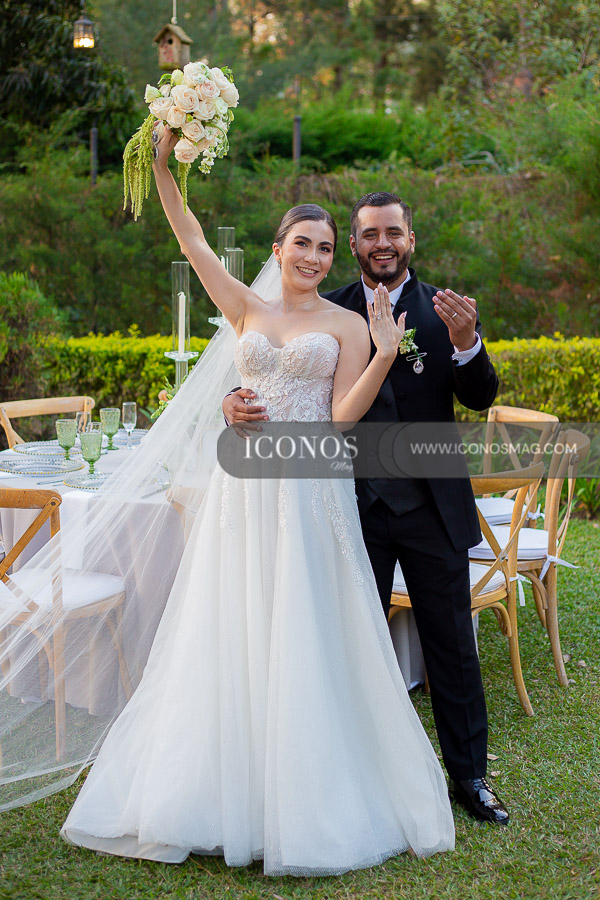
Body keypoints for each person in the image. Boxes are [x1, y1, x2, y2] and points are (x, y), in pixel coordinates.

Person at [59, 132, 455, 874]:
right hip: (245, 493)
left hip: (310, 492)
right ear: (277, 249)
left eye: (325, 249)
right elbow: (190, 235)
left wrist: (381, 350)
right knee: (233, 622)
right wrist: (159, 166)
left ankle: (306, 794)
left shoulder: (345, 325)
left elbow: (342, 419)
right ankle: (221, 789)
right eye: (302, 244)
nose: (313, 257)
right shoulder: (243, 307)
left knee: (304, 626)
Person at [224, 192, 509, 825]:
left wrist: (467, 344)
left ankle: (470, 775)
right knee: (341, 640)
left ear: (411, 238)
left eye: (394, 233)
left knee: (453, 645)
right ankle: (350, 767)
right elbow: (270, 366)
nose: (382, 243)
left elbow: (480, 395)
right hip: (348, 505)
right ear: (352, 245)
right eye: (369, 235)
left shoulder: (444, 313)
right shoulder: (330, 307)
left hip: (430, 505)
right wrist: (231, 404)